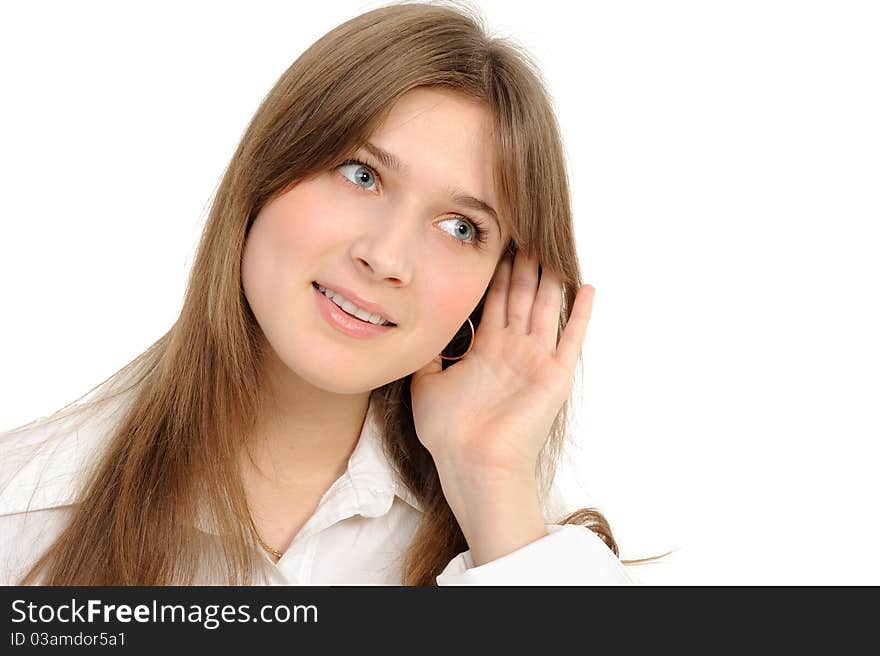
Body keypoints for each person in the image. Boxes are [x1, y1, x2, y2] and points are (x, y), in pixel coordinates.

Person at [0, 0, 635, 585]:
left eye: (459, 227)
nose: (386, 258)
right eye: (361, 176)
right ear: (265, 171)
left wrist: (488, 477)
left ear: (499, 284)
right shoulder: (22, 513)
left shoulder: (524, 546)